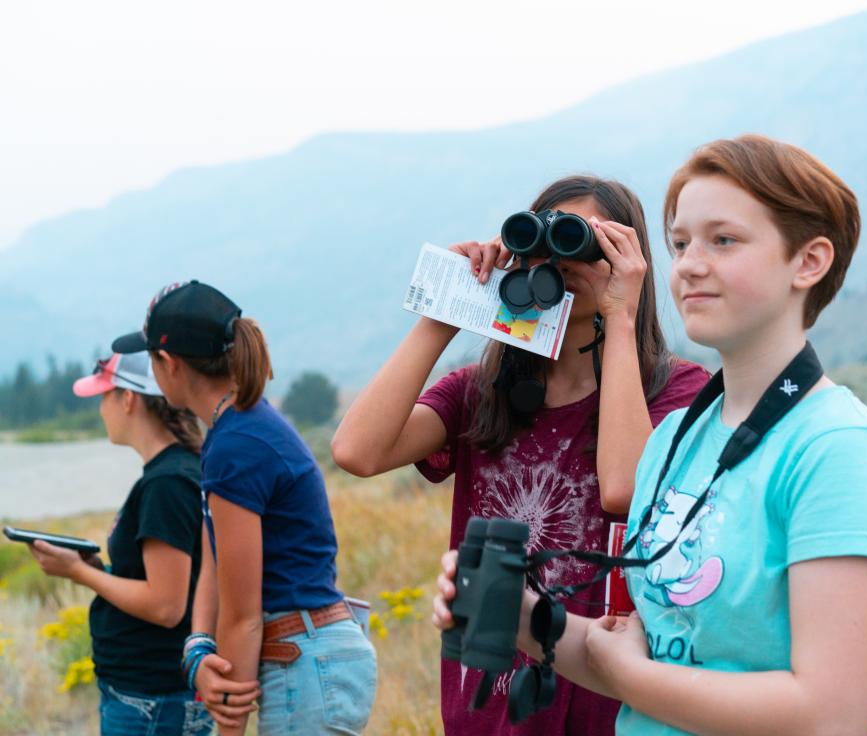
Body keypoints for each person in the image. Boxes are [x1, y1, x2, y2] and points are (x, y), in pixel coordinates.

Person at [434, 134, 867, 735]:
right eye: (681, 242)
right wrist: (521, 617)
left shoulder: (837, 453)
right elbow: (647, 651)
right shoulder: (673, 443)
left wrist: (628, 674)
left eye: (724, 240)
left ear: (809, 261)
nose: (688, 263)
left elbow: (833, 717)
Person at [332, 175, 710, 734]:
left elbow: (624, 488)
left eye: (582, 240)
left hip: (604, 698)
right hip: (488, 695)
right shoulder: (482, 391)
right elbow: (356, 450)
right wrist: (449, 307)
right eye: (545, 239)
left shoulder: (676, 391)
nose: (561, 260)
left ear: (626, 257)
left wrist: (623, 318)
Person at [111, 281, 377, 736]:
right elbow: (215, 559)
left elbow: (243, 614)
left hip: (302, 662)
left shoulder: (237, 444)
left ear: (168, 364)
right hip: (309, 658)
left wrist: (229, 725)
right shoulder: (235, 430)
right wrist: (197, 648)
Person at [29, 351, 212, 736]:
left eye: (103, 396)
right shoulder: (173, 474)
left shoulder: (167, 484)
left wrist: (79, 572)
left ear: (128, 399)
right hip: (148, 696)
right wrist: (104, 572)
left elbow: (166, 606)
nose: (99, 409)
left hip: (153, 701)